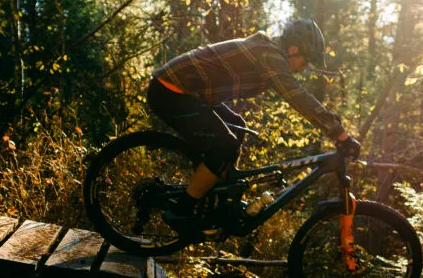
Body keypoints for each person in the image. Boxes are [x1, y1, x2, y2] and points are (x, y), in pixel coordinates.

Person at [147, 18, 361, 234]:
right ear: (294, 49)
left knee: (237, 127)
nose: (304, 68)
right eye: (306, 61)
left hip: (190, 93)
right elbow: (297, 96)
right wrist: (339, 134)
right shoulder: (270, 55)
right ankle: (182, 209)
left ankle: (219, 203)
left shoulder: (269, 51)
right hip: (170, 91)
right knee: (225, 146)